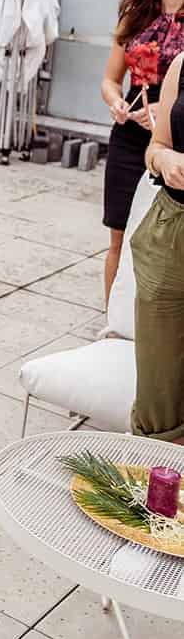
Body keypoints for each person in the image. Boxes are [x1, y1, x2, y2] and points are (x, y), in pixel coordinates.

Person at [100, 0, 184, 303]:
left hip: (175, 136)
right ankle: (111, 324)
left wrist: (164, 114)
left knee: (161, 238)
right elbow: (110, 80)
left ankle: (153, 323)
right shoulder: (136, 13)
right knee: (118, 232)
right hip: (130, 134)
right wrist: (116, 102)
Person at [132, 47, 184, 440]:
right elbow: (156, 145)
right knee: (158, 393)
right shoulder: (183, 63)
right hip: (171, 234)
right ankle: (157, 487)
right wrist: (165, 161)